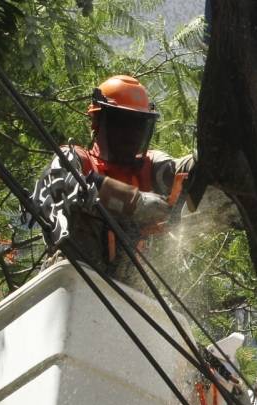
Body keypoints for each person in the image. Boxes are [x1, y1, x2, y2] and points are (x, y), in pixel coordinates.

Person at [26, 74, 194, 277]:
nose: (131, 135)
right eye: (122, 123)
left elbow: (180, 169)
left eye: (138, 126)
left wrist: (206, 160)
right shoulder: (77, 160)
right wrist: (135, 203)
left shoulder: (150, 167)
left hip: (126, 294)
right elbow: (64, 185)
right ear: (97, 121)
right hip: (73, 278)